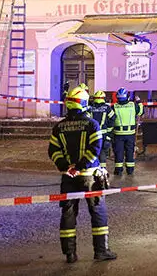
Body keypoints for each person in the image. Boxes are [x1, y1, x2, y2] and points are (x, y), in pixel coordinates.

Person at [48, 87, 117, 263]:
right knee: (98, 212)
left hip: (68, 177)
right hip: (90, 177)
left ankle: (70, 254)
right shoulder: (92, 124)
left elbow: (53, 151)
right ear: (84, 103)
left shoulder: (59, 127)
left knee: (68, 214)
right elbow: (95, 149)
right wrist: (80, 166)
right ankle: (101, 251)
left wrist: (66, 167)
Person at [112, 88, 142, 175]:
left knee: (119, 152)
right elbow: (140, 112)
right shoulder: (133, 105)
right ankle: (130, 170)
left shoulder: (114, 107)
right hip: (130, 134)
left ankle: (118, 170)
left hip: (118, 134)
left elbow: (110, 119)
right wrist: (139, 102)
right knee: (129, 151)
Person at [89, 90, 116, 169]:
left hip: (93, 135)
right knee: (102, 154)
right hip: (104, 135)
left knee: (93, 153)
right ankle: (103, 171)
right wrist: (109, 133)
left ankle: (94, 170)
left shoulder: (90, 108)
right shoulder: (107, 108)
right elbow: (113, 118)